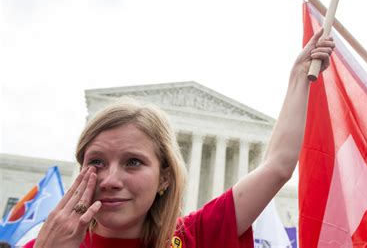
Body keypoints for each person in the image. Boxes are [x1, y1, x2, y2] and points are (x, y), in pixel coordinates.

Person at [24, 28, 335, 248]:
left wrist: (299, 78)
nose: (110, 179)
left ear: (165, 178)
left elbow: (278, 165)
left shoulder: (192, 237)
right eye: (96, 162)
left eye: (133, 162)